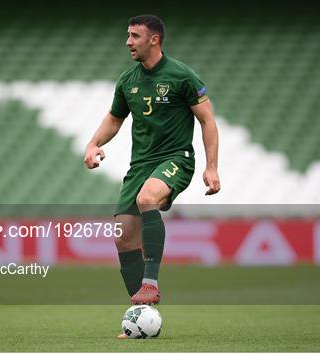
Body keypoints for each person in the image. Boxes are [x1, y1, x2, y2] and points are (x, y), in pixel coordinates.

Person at [84, 15, 220, 337]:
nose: (128, 42)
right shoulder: (127, 79)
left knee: (148, 199)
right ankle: (143, 318)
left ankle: (150, 284)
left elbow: (208, 120)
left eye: (135, 36)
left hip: (176, 158)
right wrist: (93, 143)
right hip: (140, 165)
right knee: (122, 236)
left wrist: (211, 166)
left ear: (154, 40)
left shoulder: (181, 75)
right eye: (128, 35)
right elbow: (115, 119)